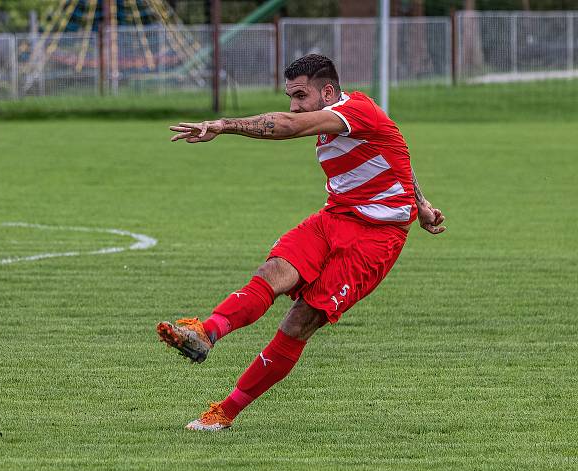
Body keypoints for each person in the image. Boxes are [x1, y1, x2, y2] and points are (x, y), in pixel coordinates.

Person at [157, 54, 446, 431]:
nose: (293, 104)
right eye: (290, 95)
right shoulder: (349, 117)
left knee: (300, 321)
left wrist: (223, 124)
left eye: (300, 95)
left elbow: (288, 126)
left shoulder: (356, 110)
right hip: (335, 217)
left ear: (328, 92)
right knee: (273, 271)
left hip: (377, 239)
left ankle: (224, 412)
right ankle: (205, 332)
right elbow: (397, 155)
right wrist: (421, 203)